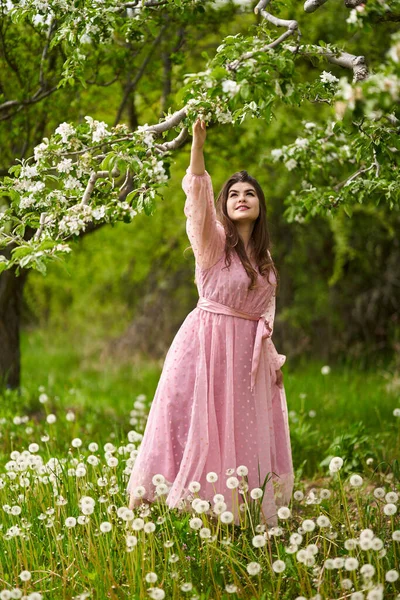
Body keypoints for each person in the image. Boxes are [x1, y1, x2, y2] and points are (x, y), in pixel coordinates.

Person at [126, 118, 294, 526]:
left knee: (240, 427)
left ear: (260, 205)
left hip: (245, 357)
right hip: (206, 344)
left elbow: (264, 313)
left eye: (249, 193)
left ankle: (234, 511)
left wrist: (270, 361)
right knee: (184, 415)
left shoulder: (266, 261)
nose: (241, 198)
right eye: (234, 193)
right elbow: (198, 198)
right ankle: (154, 503)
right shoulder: (214, 242)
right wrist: (197, 147)